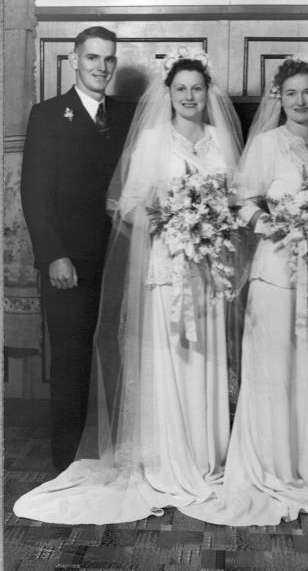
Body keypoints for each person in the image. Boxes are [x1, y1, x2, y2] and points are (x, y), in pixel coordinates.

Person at [14, 51, 243, 524]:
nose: (189, 96)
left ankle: (206, 455)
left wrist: (210, 227)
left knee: (205, 361)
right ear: (168, 94)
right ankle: (165, 456)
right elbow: (127, 204)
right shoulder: (153, 140)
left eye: (197, 88)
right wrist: (172, 223)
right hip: (166, 269)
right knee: (169, 361)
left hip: (208, 272)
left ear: (208, 92)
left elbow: (236, 204)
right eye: (180, 88)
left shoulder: (221, 141)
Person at [181, 58, 308, 526]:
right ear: (279, 98)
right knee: (275, 370)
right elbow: (240, 200)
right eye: (291, 93)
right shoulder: (266, 144)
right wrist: (272, 225)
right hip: (274, 273)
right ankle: (272, 463)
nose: (300, 101)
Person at [20, 26, 135, 472]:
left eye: (108, 59)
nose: (101, 67)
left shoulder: (126, 115)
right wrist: (54, 255)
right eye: (92, 58)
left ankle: (111, 456)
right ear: (73, 60)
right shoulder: (48, 115)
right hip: (68, 263)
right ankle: (66, 462)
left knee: (117, 359)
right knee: (70, 362)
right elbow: (34, 193)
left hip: (119, 260)